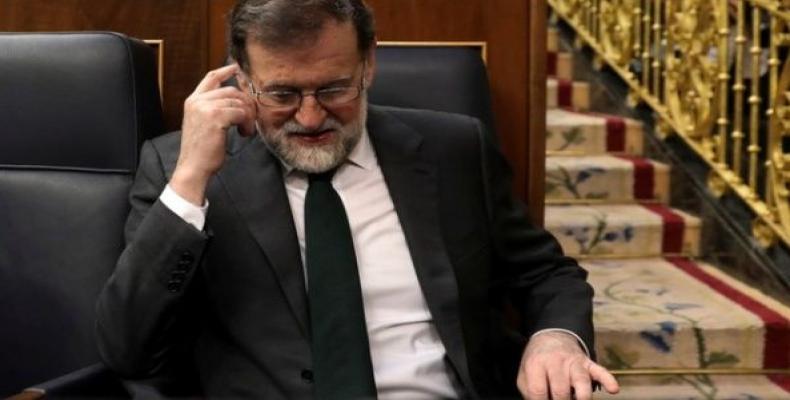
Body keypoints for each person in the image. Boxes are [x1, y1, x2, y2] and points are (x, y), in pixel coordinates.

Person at [96, 0, 619, 399]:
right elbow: (128, 347)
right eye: (281, 94)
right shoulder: (182, 169)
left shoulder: (453, 149)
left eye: (333, 89)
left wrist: (555, 338)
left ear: (368, 63)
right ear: (242, 77)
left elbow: (545, 274)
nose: (309, 117)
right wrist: (190, 180)